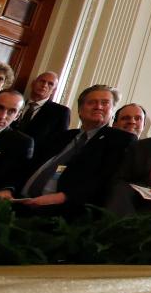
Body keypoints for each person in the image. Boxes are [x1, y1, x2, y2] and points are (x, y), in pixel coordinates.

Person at [18, 85, 136, 216]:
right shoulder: (63, 136)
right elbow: (32, 165)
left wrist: (65, 197)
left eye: (105, 103)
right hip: (21, 202)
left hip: (65, 212)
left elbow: (105, 179)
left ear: (113, 111)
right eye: (92, 102)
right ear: (80, 110)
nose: (98, 106)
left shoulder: (120, 140)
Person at [15, 72, 70, 151]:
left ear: (53, 91)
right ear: (33, 83)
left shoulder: (61, 112)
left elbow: (59, 143)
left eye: (50, 84)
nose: (44, 85)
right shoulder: (17, 104)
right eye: (42, 81)